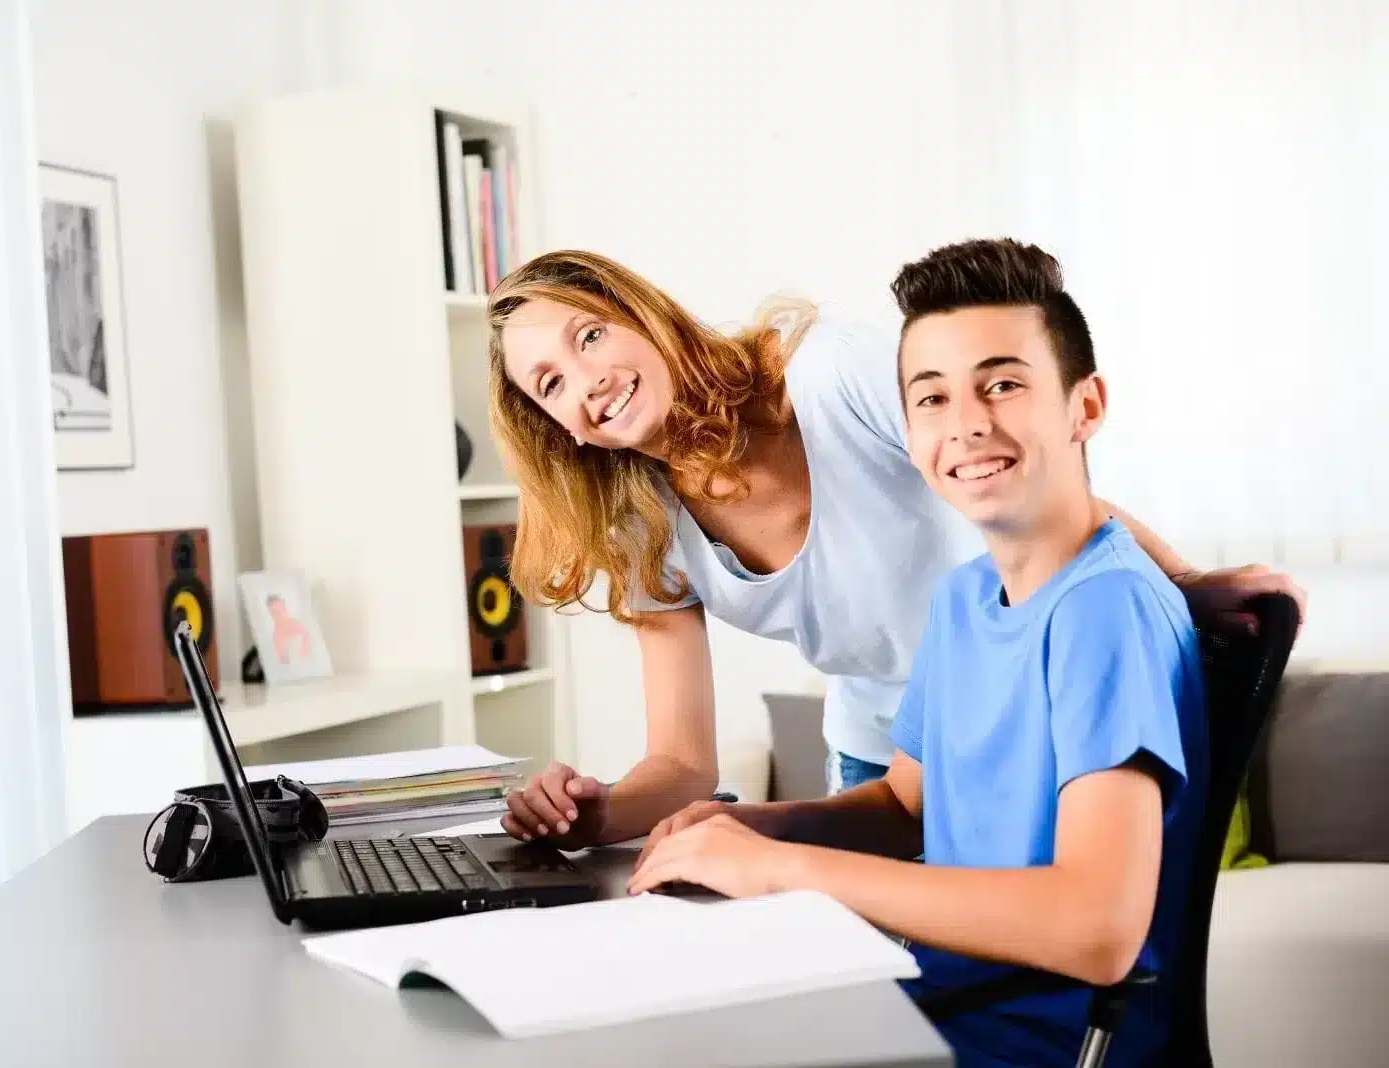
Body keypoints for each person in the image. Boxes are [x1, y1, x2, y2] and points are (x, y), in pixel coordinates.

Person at [486, 249, 1300, 849]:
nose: (585, 380)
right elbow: (681, 762)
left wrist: (1185, 583)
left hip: (1013, 728)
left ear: (641, 313)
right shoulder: (641, 526)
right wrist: (592, 815)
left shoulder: (829, 375)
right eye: (550, 383)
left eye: (589, 337)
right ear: (554, 427)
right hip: (881, 762)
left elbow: (1022, 481)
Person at [626, 238, 1211, 1067]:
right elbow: (907, 809)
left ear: (1084, 407)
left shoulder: (1104, 609)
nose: (968, 423)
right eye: (932, 399)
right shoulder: (965, 599)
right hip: (935, 1004)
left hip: (1031, 1043)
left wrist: (779, 868)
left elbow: (1096, 930)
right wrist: (746, 826)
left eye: (1003, 384)